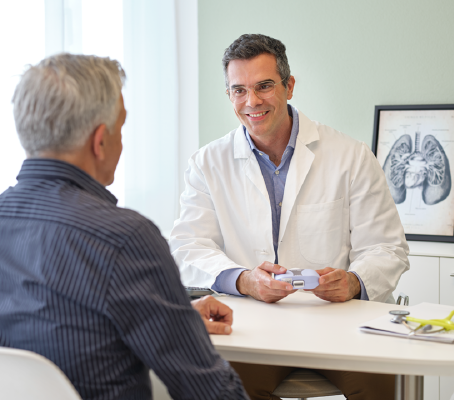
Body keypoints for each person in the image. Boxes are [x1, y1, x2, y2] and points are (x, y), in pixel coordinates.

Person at [0, 54, 249, 400]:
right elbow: (209, 391)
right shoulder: (124, 237)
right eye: (121, 128)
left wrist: (173, 319)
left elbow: (54, 327)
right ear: (99, 141)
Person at [169, 34, 410, 400]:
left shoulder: (352, 156)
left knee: (379, 386)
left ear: (289, 86)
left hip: (340, 324)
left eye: (264, 86)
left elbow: (387, 248)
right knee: (230, 388)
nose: (251, 101)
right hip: (253, 326)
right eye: (239, 90)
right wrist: (245, 280)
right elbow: (188, 246)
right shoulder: (207, 163)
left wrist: (355, 281)